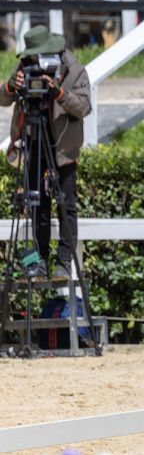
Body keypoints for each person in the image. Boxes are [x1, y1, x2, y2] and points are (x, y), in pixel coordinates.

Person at [0, 25, 92, 281]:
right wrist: (10, 86)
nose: (34, 62)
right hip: (33, 140)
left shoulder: (74, 70)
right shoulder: (25, 66)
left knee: (66, 204)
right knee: (36, 203)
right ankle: (38, 262)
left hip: (63, 146)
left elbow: (84, 107)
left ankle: (64, 261)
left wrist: (58, 92)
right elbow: (3, 99)